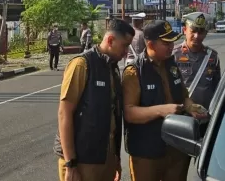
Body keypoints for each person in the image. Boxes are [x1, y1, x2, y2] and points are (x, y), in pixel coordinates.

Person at [122, 20, 208, 181]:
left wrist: (191, 107)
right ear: (151, 44)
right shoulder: (134, 71)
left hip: (176, 147)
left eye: (172, 42)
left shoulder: (171, 65)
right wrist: (162, 110)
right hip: (146, 151)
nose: (171, 46)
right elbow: (129, 112)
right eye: (165, 42)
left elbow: (183, 96)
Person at [53, 18, 135, 181]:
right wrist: (70, 163)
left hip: (104, 159)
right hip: (81, 161)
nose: (126, 52)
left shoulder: (112, 68)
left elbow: (113, 117)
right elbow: (64, 113)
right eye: (124, 45)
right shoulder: (82, 65)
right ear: (110, 40)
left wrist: (115, 159)